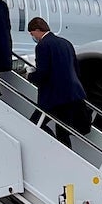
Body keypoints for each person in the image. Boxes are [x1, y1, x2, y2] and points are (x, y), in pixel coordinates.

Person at [26, 16, 91, 146]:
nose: (33, 37)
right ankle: (63, 152)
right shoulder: (65, 43)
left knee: (34, 123)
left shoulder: (42, 45)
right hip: (72, 95)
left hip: (54, 97)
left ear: (37, 30)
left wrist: (30, 76)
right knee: (63, 131)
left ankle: (53, 145)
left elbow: (44, 72)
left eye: (32, 34)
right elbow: (76, 69)